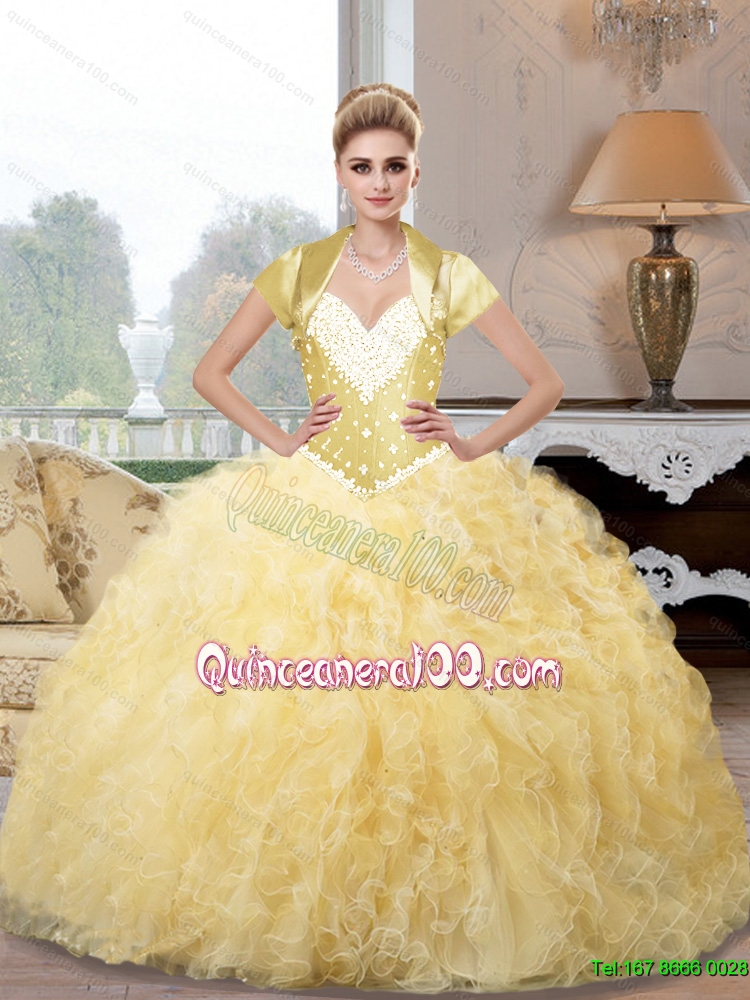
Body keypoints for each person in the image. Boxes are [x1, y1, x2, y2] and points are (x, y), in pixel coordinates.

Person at [0, 82, 748, 995]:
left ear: (415, 173)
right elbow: (210, 371)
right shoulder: (299, 270)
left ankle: (446, 911)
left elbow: (543, 383)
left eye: (395, 166)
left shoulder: (446, 272)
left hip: (430, 503)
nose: (379, 181)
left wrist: (468, 444)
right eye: (363, 167)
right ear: (340, 174)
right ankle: (300, 909)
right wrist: (282, 440)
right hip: (310, 505)